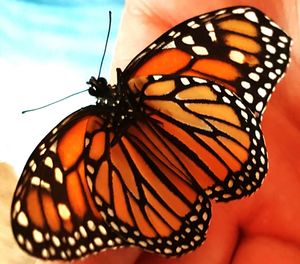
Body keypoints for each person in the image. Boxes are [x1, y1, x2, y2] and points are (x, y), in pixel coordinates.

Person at [41, 0, 300, 263]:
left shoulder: (148, 70)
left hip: (202, 148)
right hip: (156, 183)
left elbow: (239, 42)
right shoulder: (84, 132)